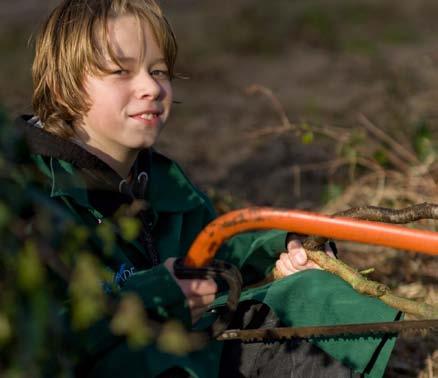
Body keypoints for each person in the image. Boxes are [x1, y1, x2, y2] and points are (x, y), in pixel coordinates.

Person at [18, 0, 400, 376]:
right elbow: (42, 338)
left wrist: (282, 247)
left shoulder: (160, 178)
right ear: (64, 86)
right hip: (119, 361)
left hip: (190, 339)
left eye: (159, 71)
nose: (150, 87)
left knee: (312, 292)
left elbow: (220, 246)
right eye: (121, 71)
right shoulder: (28, 193)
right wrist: (157, 296)